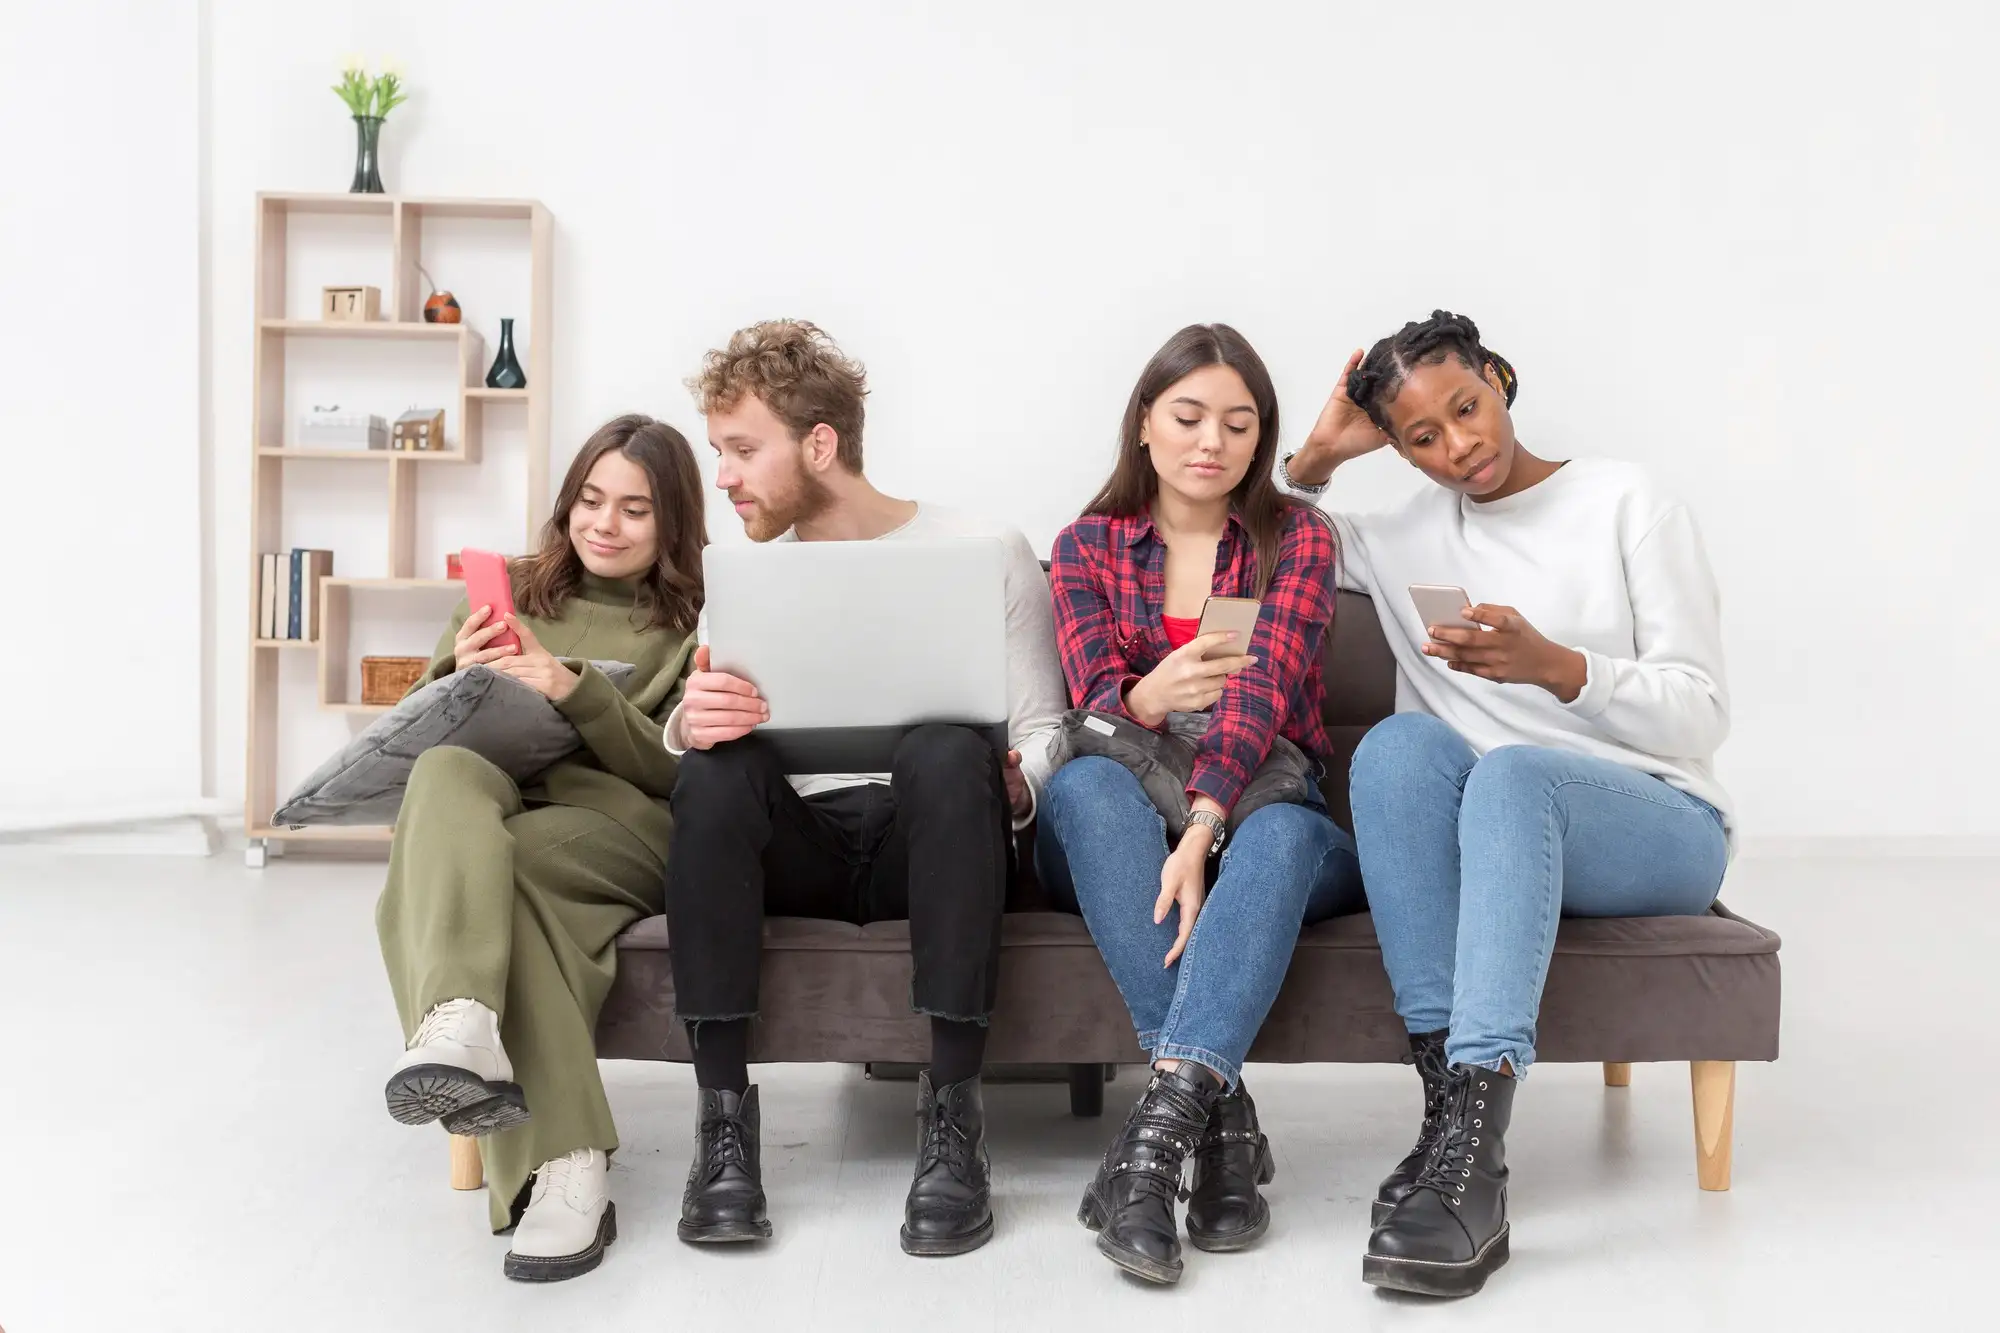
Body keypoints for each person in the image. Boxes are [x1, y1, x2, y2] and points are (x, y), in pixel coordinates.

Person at [1281, 311, 1732, 1298]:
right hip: (1497, 827)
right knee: (1396, 748)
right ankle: (1453, 1120)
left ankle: (1473, 1164)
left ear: (1497, 376)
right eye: (1422, 436)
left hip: (1658, 823)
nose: (1459, 445)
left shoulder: (1627, 501)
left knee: (1515, 770)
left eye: (1465, 406)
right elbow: (1260, 545)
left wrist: (1561, 669)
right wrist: (1316, 458)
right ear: (1399, 452)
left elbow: (1701, 711)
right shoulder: (1401, 536)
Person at [661, 319, 1066, 1258]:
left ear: (819, 445)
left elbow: (1047, 731)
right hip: (800, 843)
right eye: (718, 452)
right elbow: (693, 740)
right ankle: (722, 1132)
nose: (723, 477)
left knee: (947, 748)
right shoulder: (747, 578)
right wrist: (691, 723)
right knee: (718, 769)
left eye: (742, 450)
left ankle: (954, 1122)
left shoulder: (983, 547)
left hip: (934, 838)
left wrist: (1015, 786)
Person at [1037, 323, 1365, 1287]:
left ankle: (1153, 1153)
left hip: (1257, 801)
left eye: (1238, 423)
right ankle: (1222, 1126)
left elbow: (1261, 700)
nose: (1211, 442)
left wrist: (1205, 824)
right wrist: (1148, 695)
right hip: (1124, 806)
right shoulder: (1086, 545)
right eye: (1187, 417)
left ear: (1262, 438)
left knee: (1287, 835)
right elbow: (1093, 709)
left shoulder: (1296, 537)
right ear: (1145, 422)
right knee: (1087, 784)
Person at [375, 414, 706, 1282]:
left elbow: (681, 769)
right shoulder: (507, 595)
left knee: (482, 878)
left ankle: (529, 1119)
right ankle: (506, 1079)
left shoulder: (696, 620)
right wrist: (457, 674)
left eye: (635, 508)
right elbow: (415, 742)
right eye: (590, 500)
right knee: (446, 774)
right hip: (498, 814)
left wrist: (573, 690)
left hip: (621, 827)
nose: (604, 523)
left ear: (672, 521)